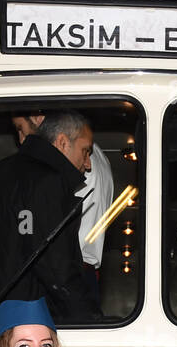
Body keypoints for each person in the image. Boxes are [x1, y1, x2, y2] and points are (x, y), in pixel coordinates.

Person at [0, 111, 100, 327]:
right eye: (85, 151)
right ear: (62, 142)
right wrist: (92, 323)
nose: (88, 163)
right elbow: (57, 269)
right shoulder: (46, 183)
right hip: (19, 328)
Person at [11, 110, 115, 276]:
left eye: (20, 128)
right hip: (83, 268)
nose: (21, 139)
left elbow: (40, 232)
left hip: (66, 269)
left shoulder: (68, 162)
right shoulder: (99, 157)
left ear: (38, 118)